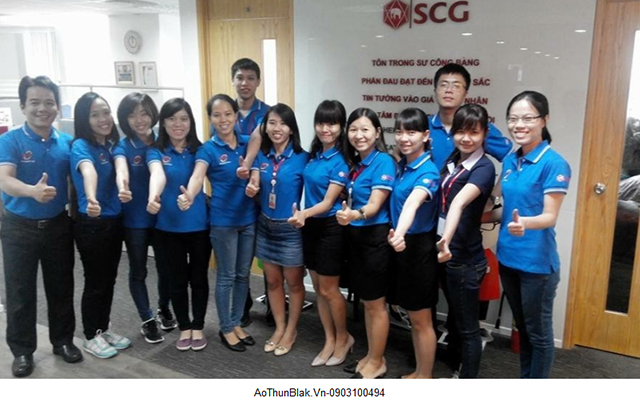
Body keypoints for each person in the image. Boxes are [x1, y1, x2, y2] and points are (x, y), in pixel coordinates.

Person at [0, 75, 81, 377]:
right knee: (20, 292)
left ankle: (63, 341)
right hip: (18, 227)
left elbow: (75, 179)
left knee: (61, 287)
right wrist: (31, 191)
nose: (42, 109)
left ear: (57, 107)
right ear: (23, 106)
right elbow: (4, 179)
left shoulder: (66, 142)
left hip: (58, 225)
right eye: (34, 102)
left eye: (49, 102)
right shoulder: (10, 140)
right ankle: (22, 351)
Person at [497, 91, 570, 378]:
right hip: (508, 258)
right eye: (513, 119)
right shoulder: (510, 160)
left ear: (544, 120)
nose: (519, 125)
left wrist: (525, 223)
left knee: (539, 335)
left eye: (527, 118)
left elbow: (550, 216)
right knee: (524, 330)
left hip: (536, 265)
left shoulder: (554, 163)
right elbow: (507, 209)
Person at [179, 94, 257, 352]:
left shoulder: (248, 143)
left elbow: (261, 135)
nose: (223, 119)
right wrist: (190, 195)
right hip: (223, 222)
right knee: (227, 276)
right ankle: (226, 327)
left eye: (228, 114)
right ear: (210, 118)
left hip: (249, 219)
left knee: (243, 275)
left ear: (236, 116)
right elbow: (197, 176)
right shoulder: (208, 149)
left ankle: (236, 322)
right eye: (216, 115)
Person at [287, 100, 353, 367]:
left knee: (330, 289)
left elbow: (327, 202)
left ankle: (344, 338)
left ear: (341, 126)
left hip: (330, 228)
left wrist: (303, 214)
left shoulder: (341, 160)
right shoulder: (315, 154)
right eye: (321, 123)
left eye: (332, 123)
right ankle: (329, 339)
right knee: (318, 288)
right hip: (311, 226)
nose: (326, 129)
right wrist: (304, 216)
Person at [435, 104, 496, 378]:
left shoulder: (484, 167)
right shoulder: (454, 160)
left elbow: (458, 203)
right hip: (447, 251)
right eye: (461, 131)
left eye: (474, 132)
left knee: (468, 327)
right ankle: (454, 364)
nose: (466, 138)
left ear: (484, 134)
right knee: (455, 320)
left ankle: (467, 378)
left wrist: (445, 239)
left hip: (463, 257)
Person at [146, 98, 211, 352]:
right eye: (172, 118)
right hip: (167, 229)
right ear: (163, 122)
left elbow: (197, 176)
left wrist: (190, 195)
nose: (178, 124)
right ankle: (184, 326)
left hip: (199, 227)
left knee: (199, 279)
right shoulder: (156, 151)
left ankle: (198, 325)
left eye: (183, 118)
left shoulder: (200, 150)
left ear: (191, 122)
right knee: (176, 280)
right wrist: (154, 196)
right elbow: (157, 174)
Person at [70, 92, 132, 359]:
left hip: (114, 221)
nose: (103, 119)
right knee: (95, 281)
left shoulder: (111, 145)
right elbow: (88, 171)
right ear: (84, 119)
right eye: (95, 115)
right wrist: (91, 197)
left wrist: (123, 186)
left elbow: (120, 169)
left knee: (109, 278)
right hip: (91, 223)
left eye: (106, 112)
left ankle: (103, 328)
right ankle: (90, 335)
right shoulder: (80, 146)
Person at [336, 108, 396, 379]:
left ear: (377, 132)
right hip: (356, 237)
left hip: (374, 238)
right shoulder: (356, 164)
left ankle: (378, 360)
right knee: (368, 303)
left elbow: (374, 205)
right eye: (353, 129)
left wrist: (354, 214)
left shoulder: (383, 162)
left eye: (365, 129)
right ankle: (371, 355)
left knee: (376, 304)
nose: (358, 135)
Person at [246, 103, 309, 356]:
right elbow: (254, 180)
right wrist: (252, 188)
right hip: (265, 225)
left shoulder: (303, 158)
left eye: (283, 123)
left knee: (294, 284)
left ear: (292, 129)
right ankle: (279, 327)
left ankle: (291, 330)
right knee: (272, 282)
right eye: (272, 123)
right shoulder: (261, 155)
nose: (277, 128)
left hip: (290, 228)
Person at [114, 92, 176, 345]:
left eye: (144, 113)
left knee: (166, 268)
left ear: (153, 114)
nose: (139, 120)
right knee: (138, 270)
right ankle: (147, 318)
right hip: (135, 220)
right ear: (124, 118)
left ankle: (164, 308)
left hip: (163, 218)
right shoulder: (123, 146)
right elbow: (120, 168)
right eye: (132, 115)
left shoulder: (164, 139)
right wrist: (122, 186)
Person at [386, 108, 440, 379]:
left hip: (418, 248)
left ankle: (424, 376)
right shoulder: (404, 166)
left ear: (426, 135)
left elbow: (413, 203)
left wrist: (399, 233)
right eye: (399, 132)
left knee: (421, 320)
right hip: (404, 246)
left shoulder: (428, 170)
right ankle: (419, 373)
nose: (404, 138)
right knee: (414, 316)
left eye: (411, 132)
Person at [227, 58, 270, 327]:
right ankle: (242, 306)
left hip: (262, 191)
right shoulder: (224, 111)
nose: (245, 83)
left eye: (250, 78)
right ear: (233, 80)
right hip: (232, 192)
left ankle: (273, 304)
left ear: (258, 82)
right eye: (240, 78)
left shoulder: (268, 113)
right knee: (236, 257)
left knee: (266, 253)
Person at [429, 63, 512, 169]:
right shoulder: (423, 126)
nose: (448, 90)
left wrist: (503, 180)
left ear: (465, 93)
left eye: (456, 86)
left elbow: (510, 157)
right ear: (435, 90)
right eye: (443, 85)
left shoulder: (478, 127)